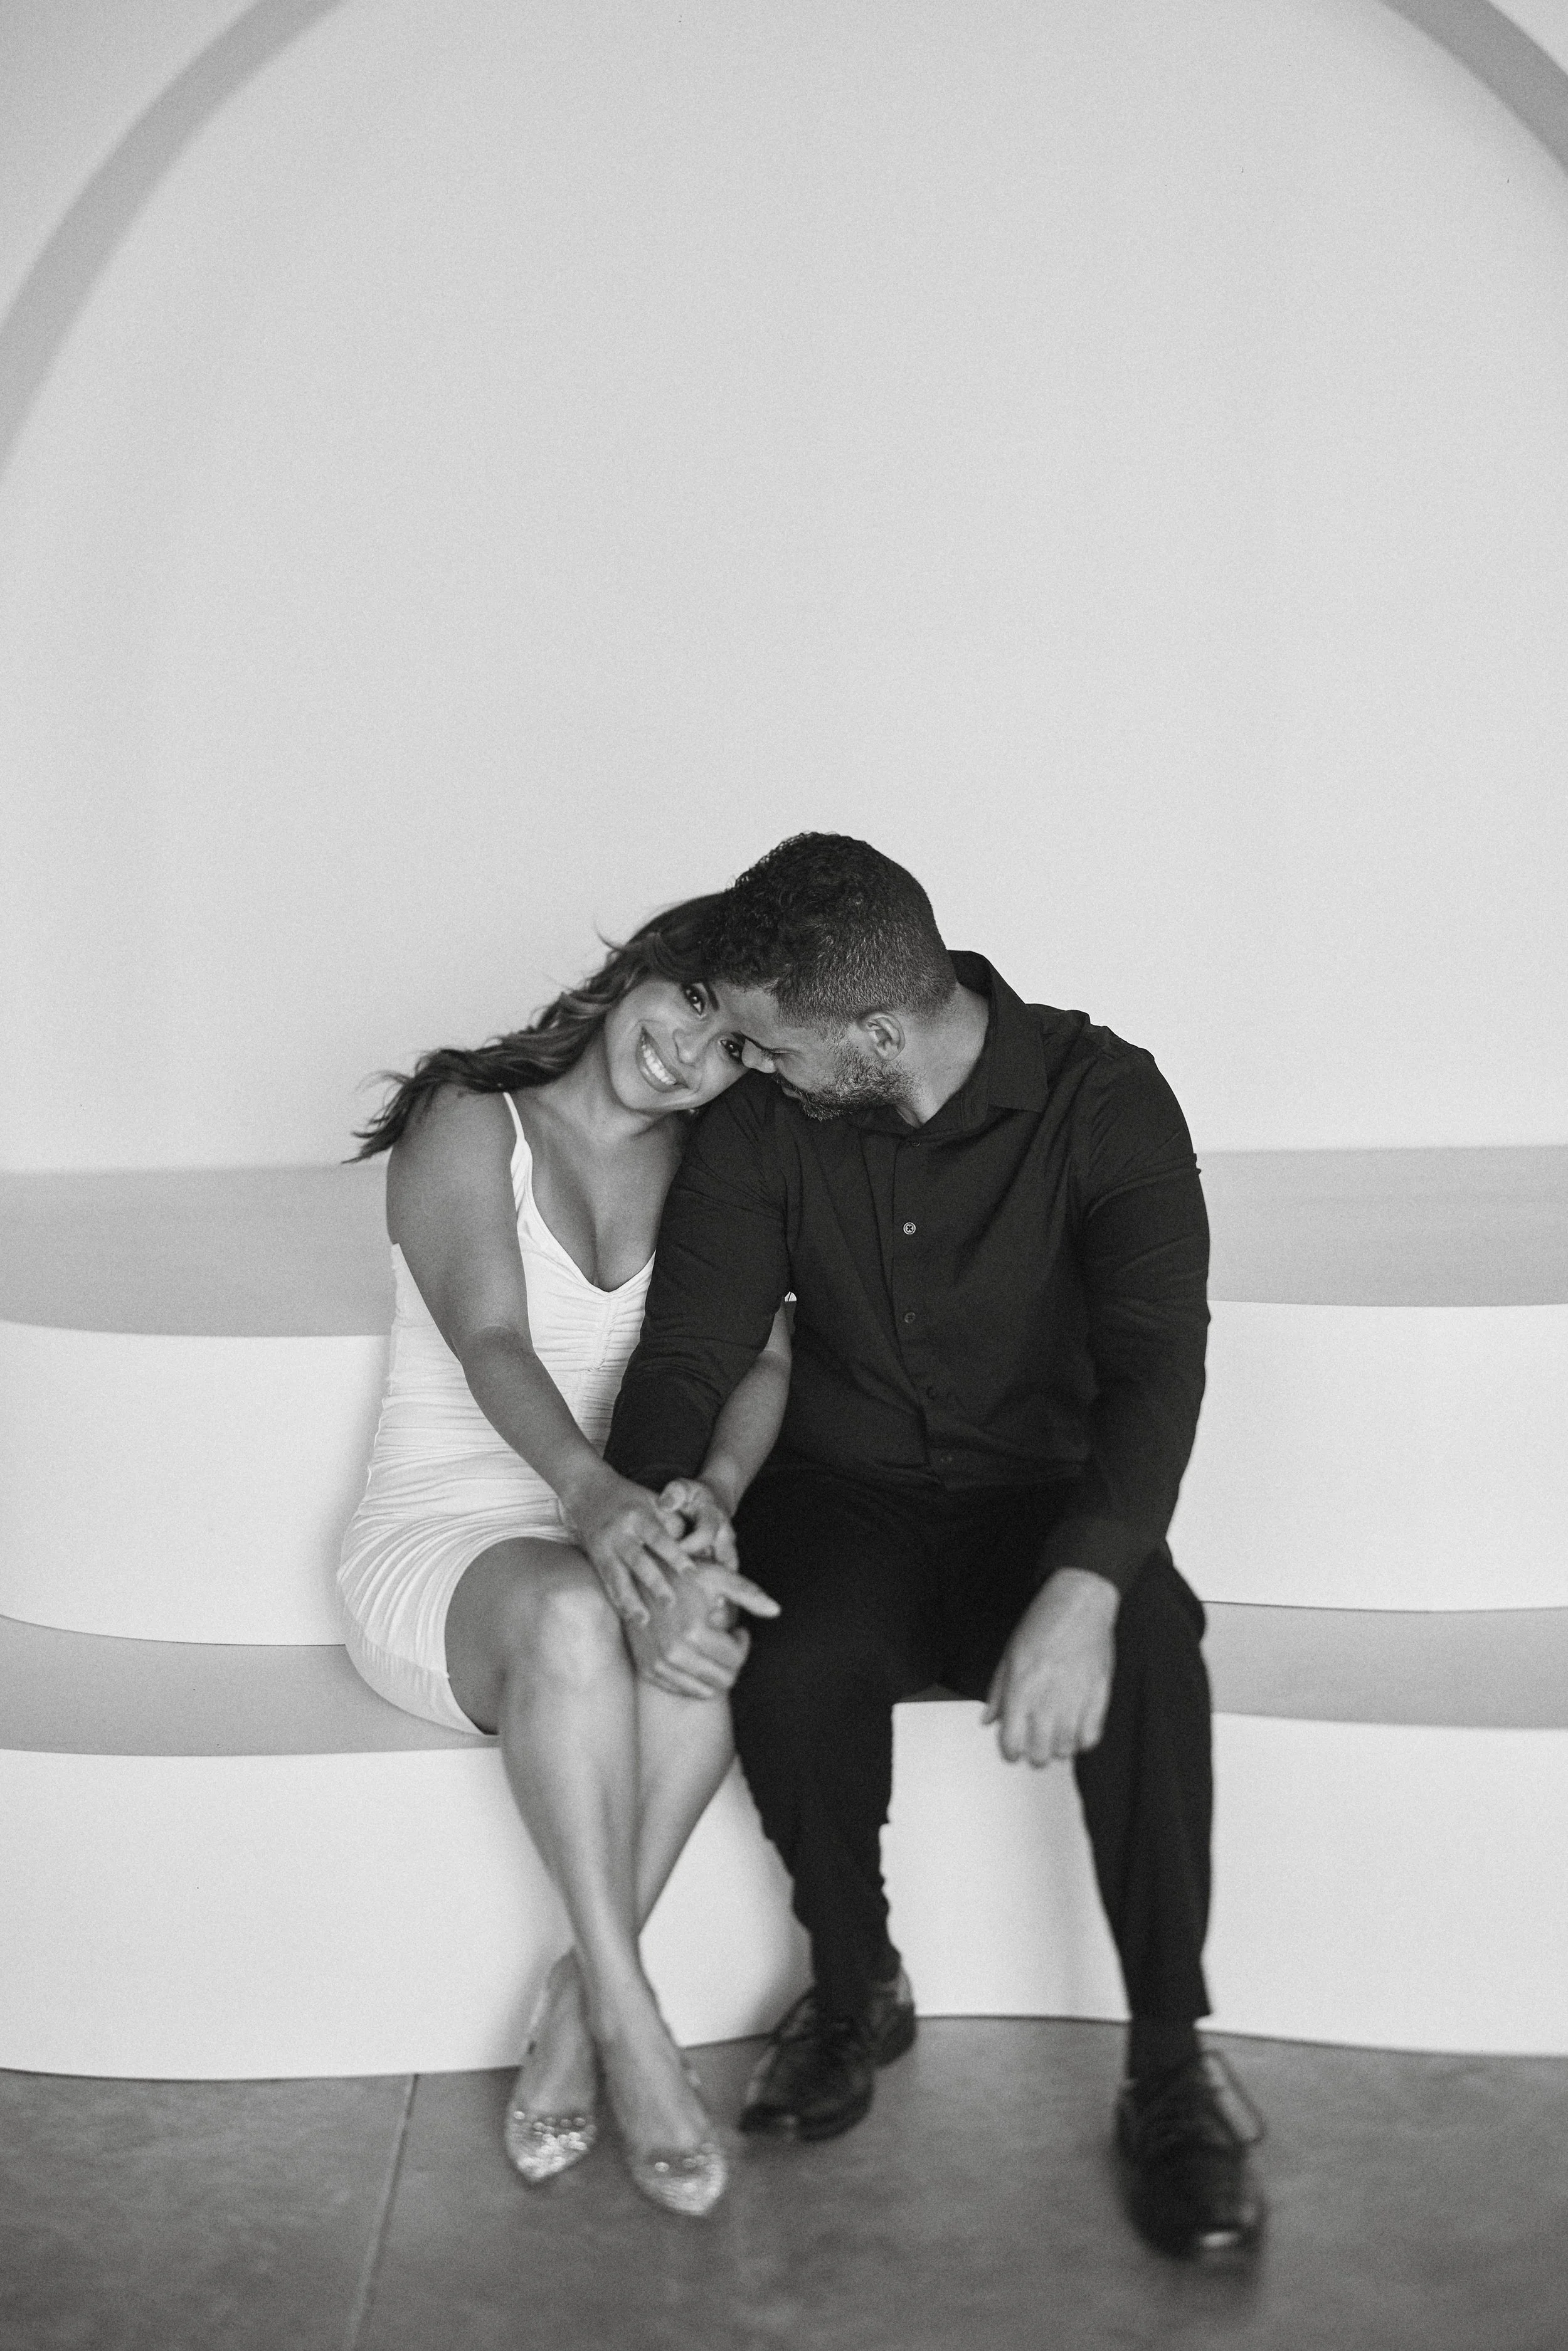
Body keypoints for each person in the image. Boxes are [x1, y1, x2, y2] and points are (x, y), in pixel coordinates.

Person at [605, 834, 1266, 2263]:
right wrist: (666, 1514)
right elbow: (691, 1348)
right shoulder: (770, 1122)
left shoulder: (1105, 1097)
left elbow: (1160, 1364)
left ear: (878, 1033)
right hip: (844, 1496)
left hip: (1045, 1492)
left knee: (1153, 1640)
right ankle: (853, 1986)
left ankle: (1168, 2062)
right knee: (786, 1650)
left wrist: (1086, 1583)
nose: (749, 1069)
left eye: (772, 1046)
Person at [340, 896, 788, 2218]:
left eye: (731, 1050)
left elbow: (762, 1356)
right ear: (637, 968)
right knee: (579, 1620)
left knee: (712, 1621)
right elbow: (490, 1339)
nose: (688, 1053)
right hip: (446, 1535)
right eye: (687, 1003)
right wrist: (592, 1497)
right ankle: (632, 2026)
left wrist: (708, 1488)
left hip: (610, 1520)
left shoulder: (714, 1166)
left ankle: (569, 2006)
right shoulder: (469, 1115)